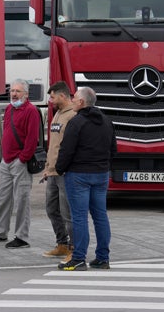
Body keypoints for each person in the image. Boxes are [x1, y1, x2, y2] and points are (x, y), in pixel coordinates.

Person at [54, 86, 116, 271]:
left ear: (81, 102)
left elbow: (66, 150)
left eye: (74, 98)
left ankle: (79, 258)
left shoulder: (76, 122)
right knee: (100, 216)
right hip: (101, 174)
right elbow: (114, 149)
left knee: (79, 217)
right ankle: (102, 258)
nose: (72, 100)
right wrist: (104, 165)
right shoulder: (106, 121)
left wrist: (59, 169)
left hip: (79, 175)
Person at [0, 80, 41, 249]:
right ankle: (0, 231)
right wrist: (4, 158)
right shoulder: (9, 109)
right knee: (2, 198)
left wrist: (22, 158)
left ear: (26, 94)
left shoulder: (31, 111)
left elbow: (32, 139)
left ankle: (21, 237)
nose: (14, 94)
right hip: (6, 161)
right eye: (12, 91)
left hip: (19, 162)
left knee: (22, 199)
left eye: (18, 91)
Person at [41, 81, 76, 257]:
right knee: (51, 209)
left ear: (63, 95)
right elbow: (53, 145)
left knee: (67, 213)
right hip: (52, 172)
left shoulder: (72, 116)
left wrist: (63, 168)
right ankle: (62, 243)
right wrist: (48, 167)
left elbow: (70, 147)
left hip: (65, 173)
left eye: (53, 96)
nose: (51, 99)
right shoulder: (58, 114)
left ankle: (74, 249)